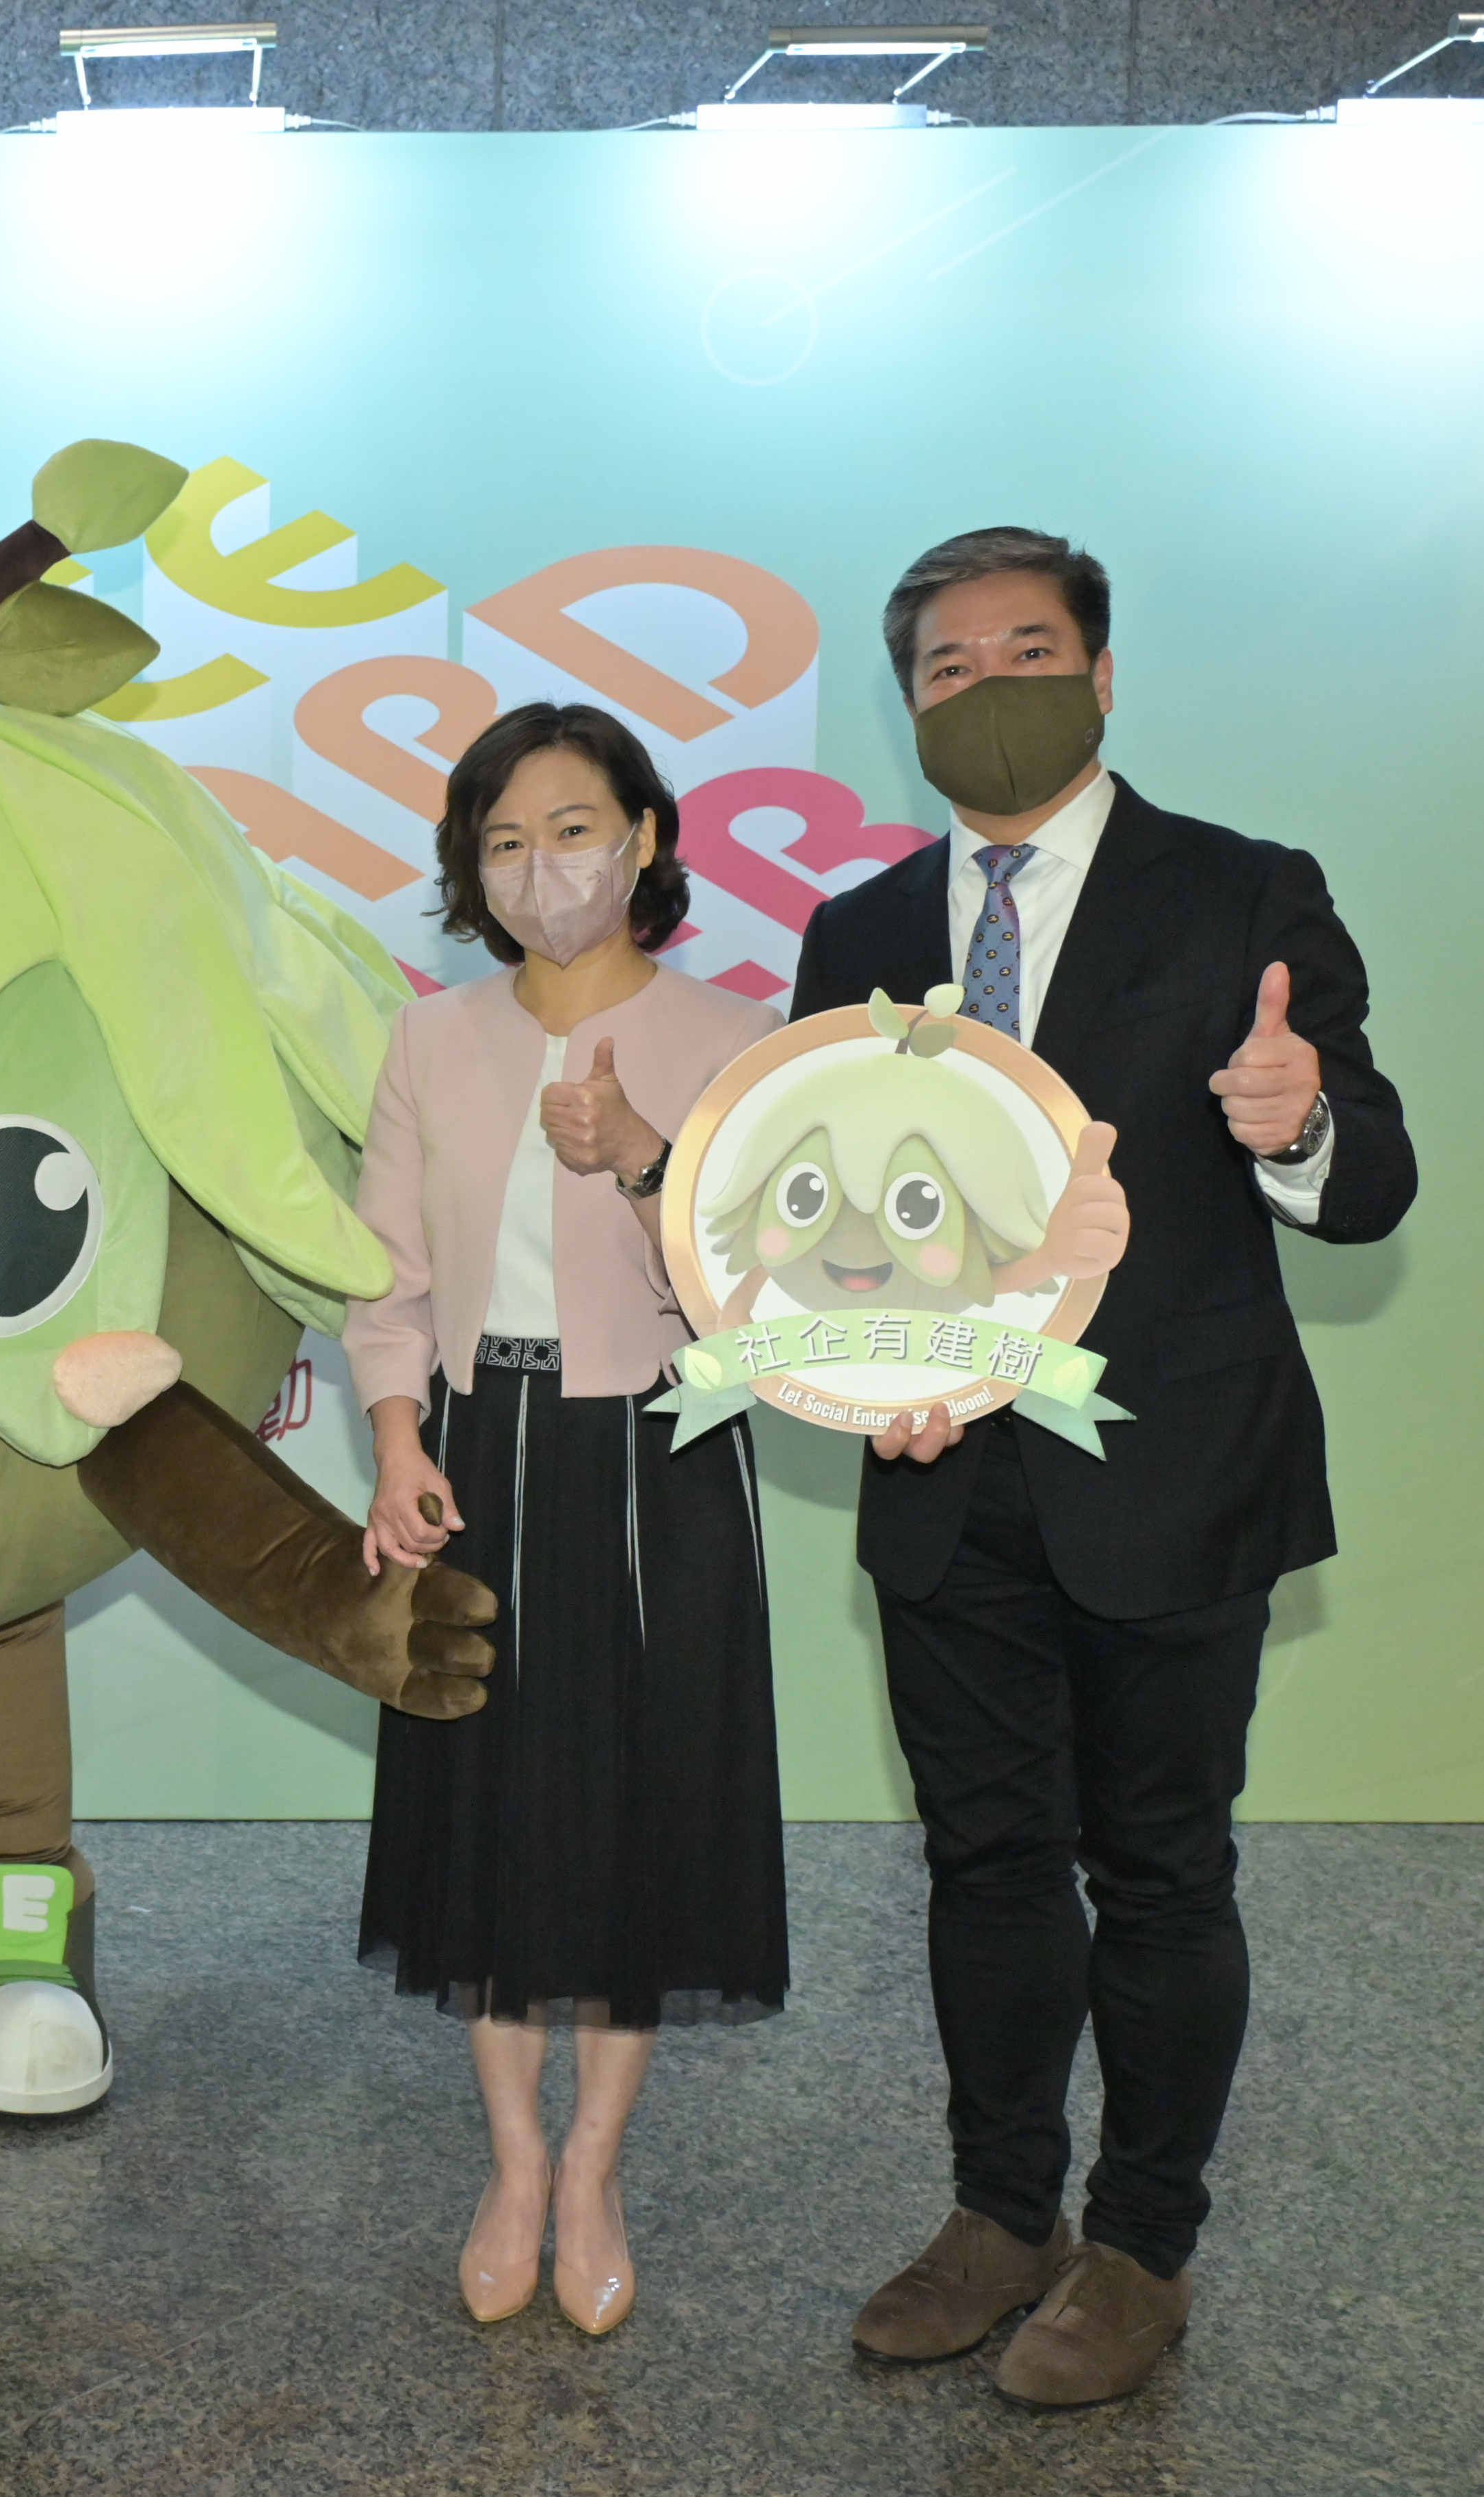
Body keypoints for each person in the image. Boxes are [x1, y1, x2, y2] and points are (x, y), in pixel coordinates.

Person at [795, 529, 1412, 2406]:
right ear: (908, 705)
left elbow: (1372, 1181)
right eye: (947, 666)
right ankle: (1001, 2212)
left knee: (1158, 1870)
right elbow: (816, 1219)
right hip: (942, 1486)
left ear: (1103, 672)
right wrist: (845, 1369)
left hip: (1173, 1471)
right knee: (983, 1861)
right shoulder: (859, 934)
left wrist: (1296, 1122)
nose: (988, 687)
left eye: (1027, 650)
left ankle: (1141, 2243)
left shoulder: (1241, 890)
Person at [345, 702, 786, 2338]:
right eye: (507, 841)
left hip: (662, 1445)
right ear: (471, 868)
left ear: (645, 837)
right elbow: (385, 1273)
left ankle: (594, 2163)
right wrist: (397, 1439)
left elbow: (763, 1289)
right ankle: (512, 2164)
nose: (543, 868)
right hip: (479, 1442)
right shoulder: (430, 1041)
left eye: (576, 830)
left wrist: (648, 1159)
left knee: (636, 1799)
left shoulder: (737, 1038)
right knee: (487, 1801)